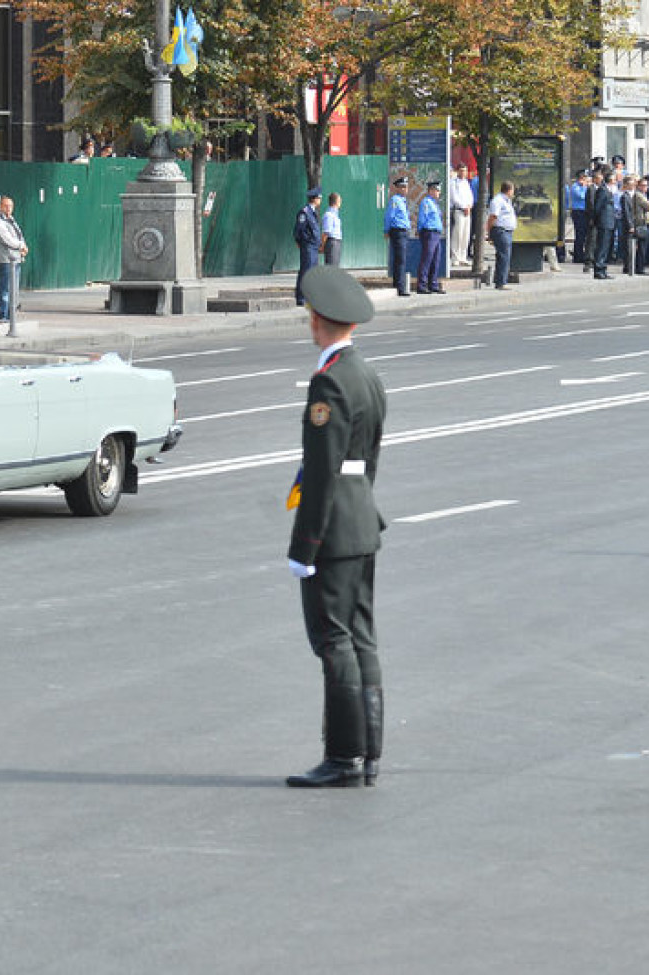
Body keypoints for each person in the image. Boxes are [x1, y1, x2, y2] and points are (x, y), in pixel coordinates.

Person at [285, 263, 387, 789]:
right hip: (363, 520)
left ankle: (344, 756)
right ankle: (369, 754)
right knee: (362, 637)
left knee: (333, 640)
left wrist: (305, 545)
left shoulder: (328, 383)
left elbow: (322, 472)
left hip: (334, 530)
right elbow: (367, 461)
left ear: (316, 319)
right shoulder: (366, 373)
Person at [0, 195, 29, 321]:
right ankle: (2, 315)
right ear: (0, 207)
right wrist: (20, 246)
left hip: (15, 259)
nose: (8, 208)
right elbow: (7, 239)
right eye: (5, 206)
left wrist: (23, 247)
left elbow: (19, 236)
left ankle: (10, 314)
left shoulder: (11, 220)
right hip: (5, 260)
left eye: (10, 206)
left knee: (14, 289)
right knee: (5, 288)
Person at [293, 187, 322, 306]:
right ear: (315, 199)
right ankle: (301, 298)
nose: (320, 200)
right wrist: (301, 243)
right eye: (319, 198)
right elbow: (297, 231)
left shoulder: (313, 212)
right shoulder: (304, 212)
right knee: (306, 271)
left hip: (314, 247)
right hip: (308, 246)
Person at [384, 176, 412, 296]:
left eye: (406, 187)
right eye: (402, 187)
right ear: (398, 188)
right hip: (398, 231)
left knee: (401, 259)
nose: (405, 189)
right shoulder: (395, 200)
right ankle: (400, 287)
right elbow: (389, 216)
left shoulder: (402, 201)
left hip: (403, 231)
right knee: (400, 259)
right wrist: (386, 230)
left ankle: (398, 284)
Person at [486, 180, 516, 290]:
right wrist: (488, 232)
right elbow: (493, 217)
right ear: (509, 190)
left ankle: (499, 281)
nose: (513, 193)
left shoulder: (507, 201)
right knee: (504, 256)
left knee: (503, 256)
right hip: (500, 231)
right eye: (513, 190)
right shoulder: (498, 201)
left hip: (506, 231)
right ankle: (501, 282)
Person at [416, 181, 445, 294]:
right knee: (427, 259)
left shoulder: (434, 204)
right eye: (436, 190)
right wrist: (421, 231)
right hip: (429, 232)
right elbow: (422, 218)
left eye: (438, 190)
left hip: (436, 233)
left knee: (436, 259)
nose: (438, 193)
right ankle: (422, 285)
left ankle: (433, 284)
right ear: (431, 191)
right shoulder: (426, 202)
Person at [448, 163, 474, 268]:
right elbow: (454, 197)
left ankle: (463, 257)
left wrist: (469, 206)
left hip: (467, 211)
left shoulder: (466, 183)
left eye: (465, 171)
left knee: (465, 235)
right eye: (462, 170)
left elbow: (470, 196)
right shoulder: (453, 182)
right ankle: (455, 257)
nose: (464, 173)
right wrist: (463, 206)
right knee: (457, 234)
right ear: (458, 171)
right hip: (459, 210)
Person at [591, 169, 615, 280]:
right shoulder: (602, 190)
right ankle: (598, 269)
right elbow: (597, 207)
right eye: (614, 179)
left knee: (606, 248)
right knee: (601, 247)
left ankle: (603, 268)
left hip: (609, 222)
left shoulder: (608, 190)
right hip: (603, 222)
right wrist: (596, 220)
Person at [567, 169, 590, 263]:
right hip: (578, 211)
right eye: (584, 178)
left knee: (584, 234)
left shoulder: (586, 186)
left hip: (585, 211)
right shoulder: (575, 186)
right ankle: (578, 255)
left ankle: (582, 253)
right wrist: (584, 187)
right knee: (579, 234)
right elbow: (582, 196)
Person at [320, 192, 343, 266]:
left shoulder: (335, 215)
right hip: (332, 243)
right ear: (336, 202)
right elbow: (326, 233)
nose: (341, 203)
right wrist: (322, 246)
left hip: (337, 243)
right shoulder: (329, 215)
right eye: (340, 201)